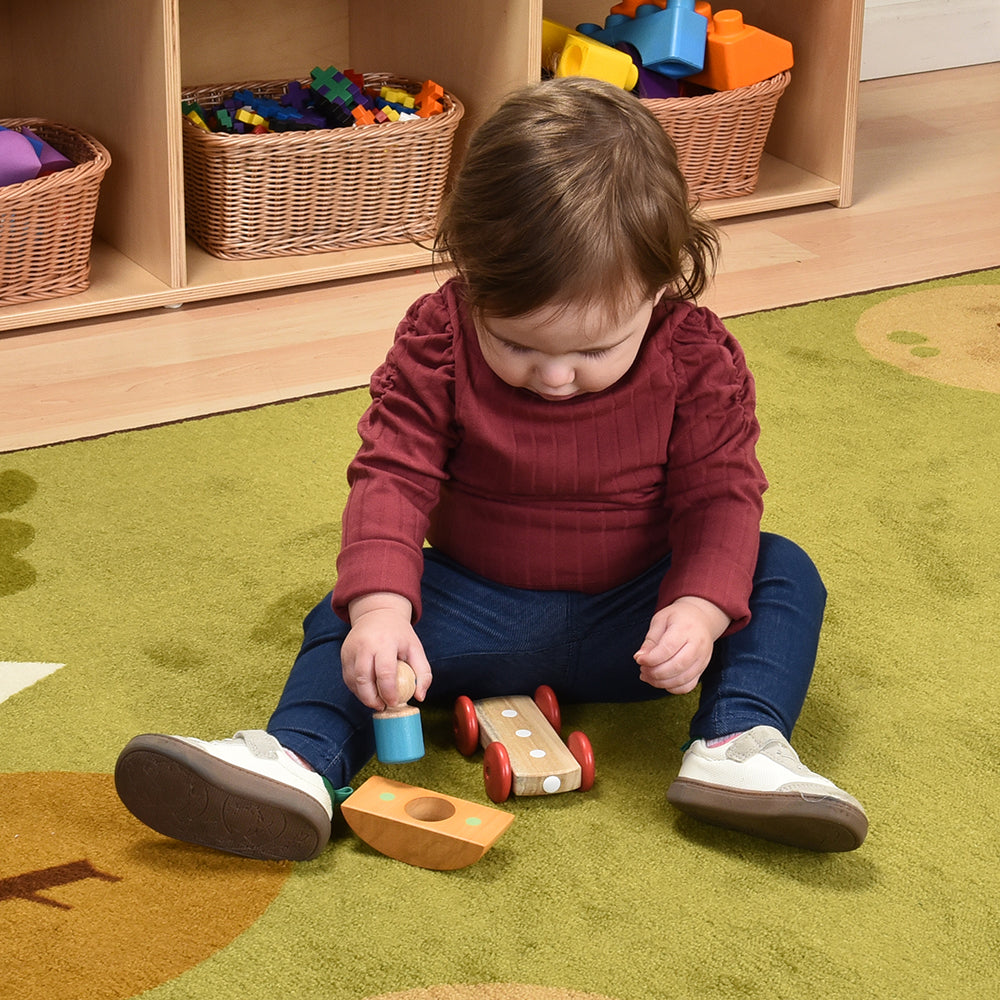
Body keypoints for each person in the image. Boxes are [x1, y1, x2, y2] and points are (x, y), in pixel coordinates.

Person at [115, 77, 867, 861]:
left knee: (780, 572)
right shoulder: (440, 336)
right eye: (518, 345)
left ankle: (737, 746)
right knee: (348, 612)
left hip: (638, 621)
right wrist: (381, 612)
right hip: (471, 616)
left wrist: (701, 611)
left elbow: (721, 495)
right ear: (467, 273)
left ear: (660, 282)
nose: (554, 377)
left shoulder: (696, 357)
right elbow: (393, 476)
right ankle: (298, 759)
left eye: (592, 351)